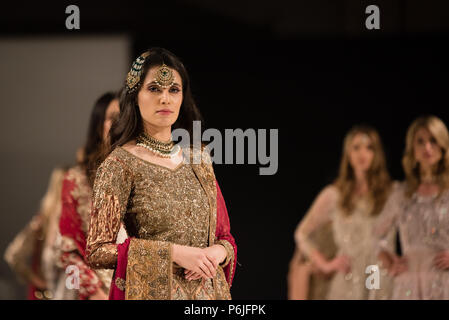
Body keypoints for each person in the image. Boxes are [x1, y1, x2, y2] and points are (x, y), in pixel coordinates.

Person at [85, 47, 237, 300]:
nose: (165, 98)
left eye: (173, 90)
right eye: (154, 89)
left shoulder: (199, 158)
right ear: (135, 97)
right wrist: (175, 253)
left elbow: (224, 236)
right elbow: (97, 251)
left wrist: (219, 254)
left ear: (182, 98)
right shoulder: (120, 164)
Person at [294, 125, 395, 299]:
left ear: (376, 153)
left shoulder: (392, 193)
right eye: (356, 148)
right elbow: (301, 233)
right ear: (348, 153)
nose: (362, 153)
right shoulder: (334, 194)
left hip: (378, 276)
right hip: (348, 278)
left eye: (369, 148)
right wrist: (326, 264)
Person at [374, 115, 449, 299]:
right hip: (409, 284)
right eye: (420, 142)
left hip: (443, 281)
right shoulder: (401, 193)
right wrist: (389, 261)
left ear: (443, 145)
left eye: (433, 140)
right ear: (412, 149)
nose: (427, 147)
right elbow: (376, 236)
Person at [58, 92, 123, 300]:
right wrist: (95, 293)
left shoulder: (146, 176)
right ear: (98, 126)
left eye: (127, 117)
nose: (120, 124)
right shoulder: (77, 179)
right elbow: (66, 252)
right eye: (113, 118)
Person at [4, 167, 74, 300]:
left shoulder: (44, 220)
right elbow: (13, 255)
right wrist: (38, 282)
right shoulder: (42, 222)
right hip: (52, 291)